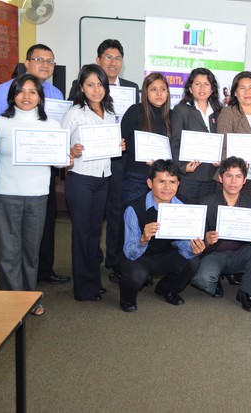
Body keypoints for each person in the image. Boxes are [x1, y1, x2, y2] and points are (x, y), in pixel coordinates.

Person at [0, 43, 69, 285]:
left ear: (40, 97)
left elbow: (58, 158)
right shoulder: (0, 123)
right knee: (8, 252)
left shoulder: (52, 125)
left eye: (33, 92)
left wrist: (66, 157)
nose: (27, 97)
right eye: (22, 92)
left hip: (38, 193)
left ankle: (29, 297)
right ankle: (12, 300)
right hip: (6, 192)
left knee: (31, 251)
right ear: (12, 94)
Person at [60, 64, 123, 301]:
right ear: (81, 88)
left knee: (95, 233)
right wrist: (71, 152)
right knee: (82, 233)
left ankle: (93, 282)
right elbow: (58, 147)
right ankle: (84, 288)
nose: (96, 90)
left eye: (100, 84)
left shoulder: (109, 113)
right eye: (90, 85)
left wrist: (119, 145)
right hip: (81, 179)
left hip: (103, 179)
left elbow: (110, 146)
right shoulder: (75, 113)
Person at [118, 159, 205, 312]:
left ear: (178, 184)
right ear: (150, 183)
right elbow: (129, 253)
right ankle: (127, 297)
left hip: (165, 254)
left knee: (193, 261)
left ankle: (166, 289)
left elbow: (181, 243)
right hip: (138, 256)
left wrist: (193, 248)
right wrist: (143, 239)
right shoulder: (134, 208)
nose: (167, 187)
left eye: (172, 182)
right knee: (135, 275)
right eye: (161, 181)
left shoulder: (184, 206)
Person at [113, 72, 172, 281]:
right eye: (153, 89)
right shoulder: (135, 112)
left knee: (153, 222)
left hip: (160, 180)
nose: (159, 93)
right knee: (131, 221)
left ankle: (145, 264)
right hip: (136, 177)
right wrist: (142, 154)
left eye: (163, 89)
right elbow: (122, 143)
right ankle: (121, 266)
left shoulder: (170, 117)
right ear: (145, 92)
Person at [191, 157, 251, 311]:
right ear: (220, 178)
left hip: (240, 253)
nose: (233, 181)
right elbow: (196, 238)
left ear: (244, 180)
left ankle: (246, 292)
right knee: (202, 280)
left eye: (238, 176)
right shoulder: (207, 202)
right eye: (228, 176)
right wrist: (206, 240)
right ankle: (215, 279)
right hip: (215, 255)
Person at [95, 40, 141, 273]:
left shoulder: (132, 87)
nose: (113, 63)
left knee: (118, 209)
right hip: (97, 156)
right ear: (98, 60)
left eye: (118, 58)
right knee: (96, 212)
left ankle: (115, 259)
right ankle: (96, 256)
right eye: (108, 57)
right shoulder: (87, 85)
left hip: (124, 159)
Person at [170, 68, 223, 204]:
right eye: (197, 84)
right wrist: (182, 167)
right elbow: (175, 142)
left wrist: (221, 159)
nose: (202, 88)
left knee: (207, 214)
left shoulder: (219, 112)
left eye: (206, 84)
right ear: (190, 88)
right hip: (189, 176)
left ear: (212, 89)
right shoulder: (181, 110)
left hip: (212, 177)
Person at [217, 71, 251, 198]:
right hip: (232, 178)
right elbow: (222, 147)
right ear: (235, 92)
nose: (247, 92)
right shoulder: (228, 112)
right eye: (242, 88)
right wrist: (237, 164)